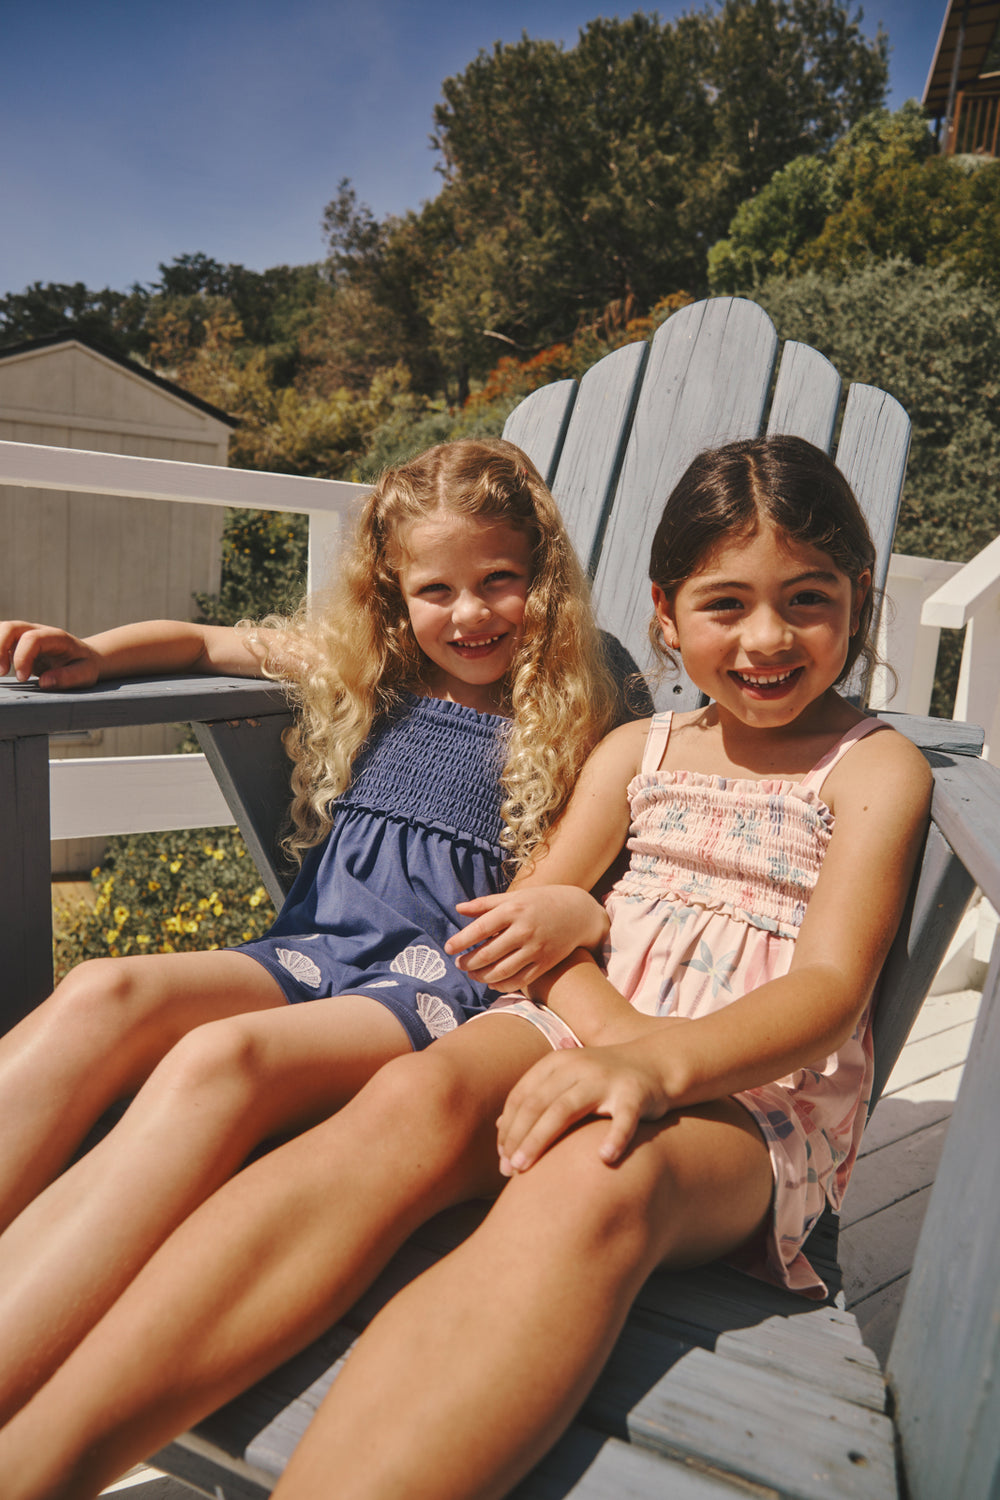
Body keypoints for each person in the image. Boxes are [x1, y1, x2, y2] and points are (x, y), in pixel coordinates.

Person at [0, 435, 932, 1500]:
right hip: (566, 1026)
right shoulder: (645, 753)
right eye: (727, 605)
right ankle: (31, 1465)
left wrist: (651, 1062)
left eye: (805, 598)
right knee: (411, 1096)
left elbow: (822, 995)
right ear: (668, 613)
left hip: (744, 1093)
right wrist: (595, 1001)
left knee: (589, 1177)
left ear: (859, 597)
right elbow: (534, 921)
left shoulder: (870, 767)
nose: (766, 636)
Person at [0, 437, 623, 1424]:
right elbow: (204, 643)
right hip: (314, 949)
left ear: (543, 576)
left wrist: (580, 903)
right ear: (393, 593)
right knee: (101, 989)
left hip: (437, 988)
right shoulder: (372, 662)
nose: (468, 614)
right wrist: (100, 651)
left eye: (497, 581)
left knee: (223, 1056)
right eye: (436, 589)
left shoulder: (588, 700)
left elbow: (641, 830)